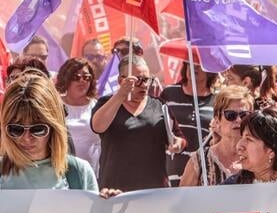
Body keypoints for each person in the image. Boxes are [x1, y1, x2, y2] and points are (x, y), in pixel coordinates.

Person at [91, 56, 186, 191]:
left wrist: (177, 144)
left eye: (147, 80)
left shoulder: (159, 105)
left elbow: (179, 137)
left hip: (153, 190)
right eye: (137, 80)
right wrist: (120, 95)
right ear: (121, 80)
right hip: (115, 190)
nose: (144, 85)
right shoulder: (107, 103)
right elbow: (98, 126)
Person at [0, 73, 97, 191]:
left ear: (54, 127)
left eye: (38, 129)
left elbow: (95, 209)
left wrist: (112, 203)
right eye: (16, 129)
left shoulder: (79, 172)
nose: (26, 138)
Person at [179, 85, 251, 186]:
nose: (238, 120)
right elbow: (184, 199)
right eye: (231, 115)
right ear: (217, 120)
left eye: (244, 115)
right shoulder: (200, 161)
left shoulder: (258, 158)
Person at [159, 61, 217, 186]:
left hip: (202, 173)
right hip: (171, 170)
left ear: (210, 71)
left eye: (199, 64)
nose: (194, 67)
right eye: (190, 63)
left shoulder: (217, 100)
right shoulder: (169, 93)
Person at [54, 57, 101, 173]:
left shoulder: (98, 107)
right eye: (76, 77)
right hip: (61, 171)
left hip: (91, 173)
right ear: (66, 78)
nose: (82, 81)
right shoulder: (54, 105)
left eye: (86, 77)